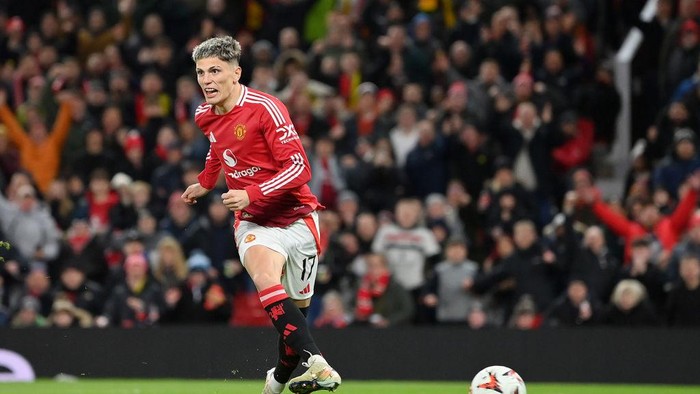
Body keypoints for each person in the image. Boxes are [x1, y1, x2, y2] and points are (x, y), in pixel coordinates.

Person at [180, 36, 340, 394]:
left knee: (292, 318)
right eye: (201, 72)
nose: (206, 80)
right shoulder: (205, 115)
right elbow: (218, 149)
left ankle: (279, 379)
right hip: (254, 222)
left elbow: (300, 169)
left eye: (215, 71)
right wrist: (206, 182)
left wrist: (251, 191)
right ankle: (319, 364)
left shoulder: (266, 108)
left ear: (236, 73)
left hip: (297, 218)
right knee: (266, 278)